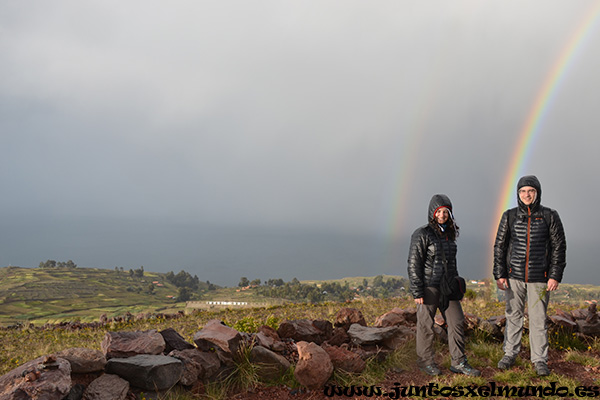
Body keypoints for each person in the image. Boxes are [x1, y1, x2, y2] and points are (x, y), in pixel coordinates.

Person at [493, 175, 566, 376]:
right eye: (523, 191)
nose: (527, 194)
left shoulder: (550, 216)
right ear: (518, 194)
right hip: (513, 277)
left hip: (540, 278)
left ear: (537, 193)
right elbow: (500, 246)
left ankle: (540, 360)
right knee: (513, 316)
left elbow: (559, 247)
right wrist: (499, 274)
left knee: (538, 319)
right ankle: (509, 354)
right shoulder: (509, 216)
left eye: (531, 191)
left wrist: (554, 275)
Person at [408, 194, 481, 376]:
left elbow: (452, 263)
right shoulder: (422, 234)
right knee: (426, 325)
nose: (442, 215)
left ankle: (458, 362)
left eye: (446, 212)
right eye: (439, 211)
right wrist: (417, 291)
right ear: (432, 213)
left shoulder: (449, 234)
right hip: (429, 286)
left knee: (456, 322)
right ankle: (425, 362)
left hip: (448, 287)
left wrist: (456, 283)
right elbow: (413, 263)